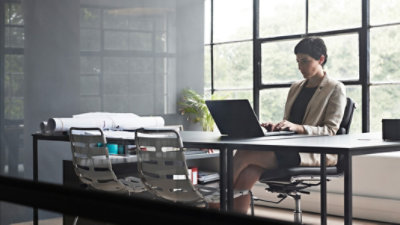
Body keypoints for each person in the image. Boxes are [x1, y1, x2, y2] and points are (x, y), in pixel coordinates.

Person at [232, 36, 347, 214]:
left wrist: (298, 128)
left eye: (305, 61)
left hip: (314, 152)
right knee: (249, 172)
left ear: (321, 59)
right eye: (298, 61)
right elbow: (290, 121)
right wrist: (277, 127)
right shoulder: (296, 87)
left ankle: (215, 203)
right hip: (289, 146)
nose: (300, 67)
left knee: (245, 153)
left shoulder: (335, 88)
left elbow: (330, 131)